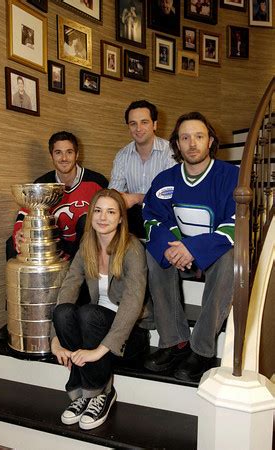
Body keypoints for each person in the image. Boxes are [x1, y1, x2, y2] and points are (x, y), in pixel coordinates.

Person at [143, 112, 239, 382]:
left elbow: (235, 224)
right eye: (185, 137)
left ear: (210, 141)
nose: (192, 143)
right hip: (180, 258)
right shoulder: (165, 179)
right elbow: (151, 218)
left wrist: (193, 249)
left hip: (214, 259)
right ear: (177, 143)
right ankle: (174, 342)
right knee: (154, 254)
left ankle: (202, 349)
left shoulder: (231, 176)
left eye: (199, 136)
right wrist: (173, 248)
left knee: (230, 257)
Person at [51, 189, 150, 429]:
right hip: (94, 327)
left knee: (88, 314)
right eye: (98, 210)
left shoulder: (133, 248)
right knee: (63, 311)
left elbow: (132, 302)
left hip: (130, 335)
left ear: (120, 218)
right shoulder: (88, 244)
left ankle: (99, 394)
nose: (103, 217)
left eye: (111, 211)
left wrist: (98, 351)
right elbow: (69, 285)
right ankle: (84, 393)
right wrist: (55, 339)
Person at [10, 131, 108, 261]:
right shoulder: (42, 183)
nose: (64, 158)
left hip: (88, 247)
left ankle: (80, 275)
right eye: (58, 153)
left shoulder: (97, 182)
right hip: (56, 244)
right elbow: (26, 212)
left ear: (77, 154)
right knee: (10, 245)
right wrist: (18, 233)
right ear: (51, 156)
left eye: (69, 152)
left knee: (86, 222)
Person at [108, 100, 175, 238]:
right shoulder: (122, 155)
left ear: (155, 124)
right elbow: (114, 193)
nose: (138, 128)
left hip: (165, 212)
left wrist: (136, 198)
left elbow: (171, 195)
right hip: (134, 215)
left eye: (144, 122)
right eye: (133, 124)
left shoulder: (171, 152)